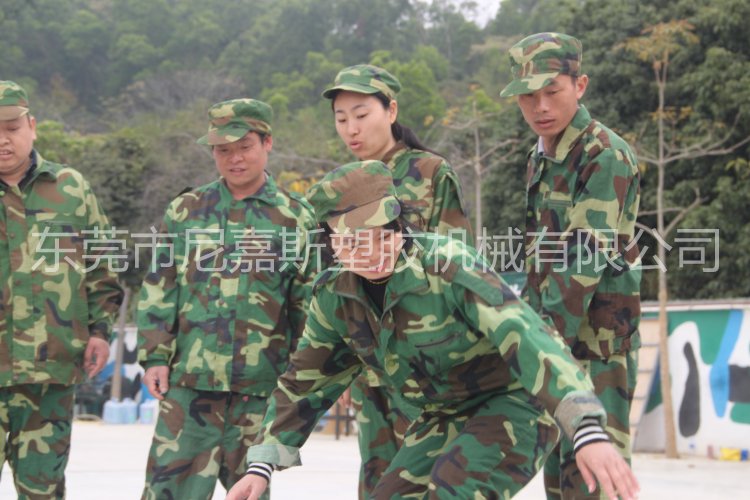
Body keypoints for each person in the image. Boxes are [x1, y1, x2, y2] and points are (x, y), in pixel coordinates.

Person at [226, 160, 639, 500]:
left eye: (382, 235)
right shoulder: (335, 297)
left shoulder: (448, 265)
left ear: (399, 225)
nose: (371, 253)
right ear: (331, 243)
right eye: (352, 243)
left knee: (455, 490)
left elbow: (527, 334)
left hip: (516, 400)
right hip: (443, 413)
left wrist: (585, 427)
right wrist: (261, 466)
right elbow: (304, 384)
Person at [136, 98, 317, 500]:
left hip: (259, 392)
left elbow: (308, 308)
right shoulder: (186, 211)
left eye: (244, 146)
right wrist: (154, 356)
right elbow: (161, 285)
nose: (234, 159)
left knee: (250, 493)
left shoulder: (296, 218)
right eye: (223, 150)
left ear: (267, 143)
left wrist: (300, 385)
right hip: (189, 388)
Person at [499, 32, 642, 499]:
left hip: (598, 348)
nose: (540, 106)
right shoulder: (540, 156)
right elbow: (539, 259)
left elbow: (583, 260)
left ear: (580, 85)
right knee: (559, 482)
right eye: (528, 96)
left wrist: (533, 343)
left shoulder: (605, 154)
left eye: (552, 91)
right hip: (556, 343)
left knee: (595, 481)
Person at [322, 63, 473, 497]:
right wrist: (343, 366)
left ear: (391, 111)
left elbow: (457, 267)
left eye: (361, 114)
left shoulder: (430, 172)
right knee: (377, 480)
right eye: (341, 118)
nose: (351, 128)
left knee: (430, 481)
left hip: (426, 363)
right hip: (371, 365)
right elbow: (338, 280)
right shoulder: (345, 186)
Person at [0, 80, 124, 498]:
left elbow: (102, 266)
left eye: (12, 128)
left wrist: (101, 332)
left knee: (44, 491)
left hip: (49, 377)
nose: (3, 140)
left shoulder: (70, 188)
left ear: (32, 126)